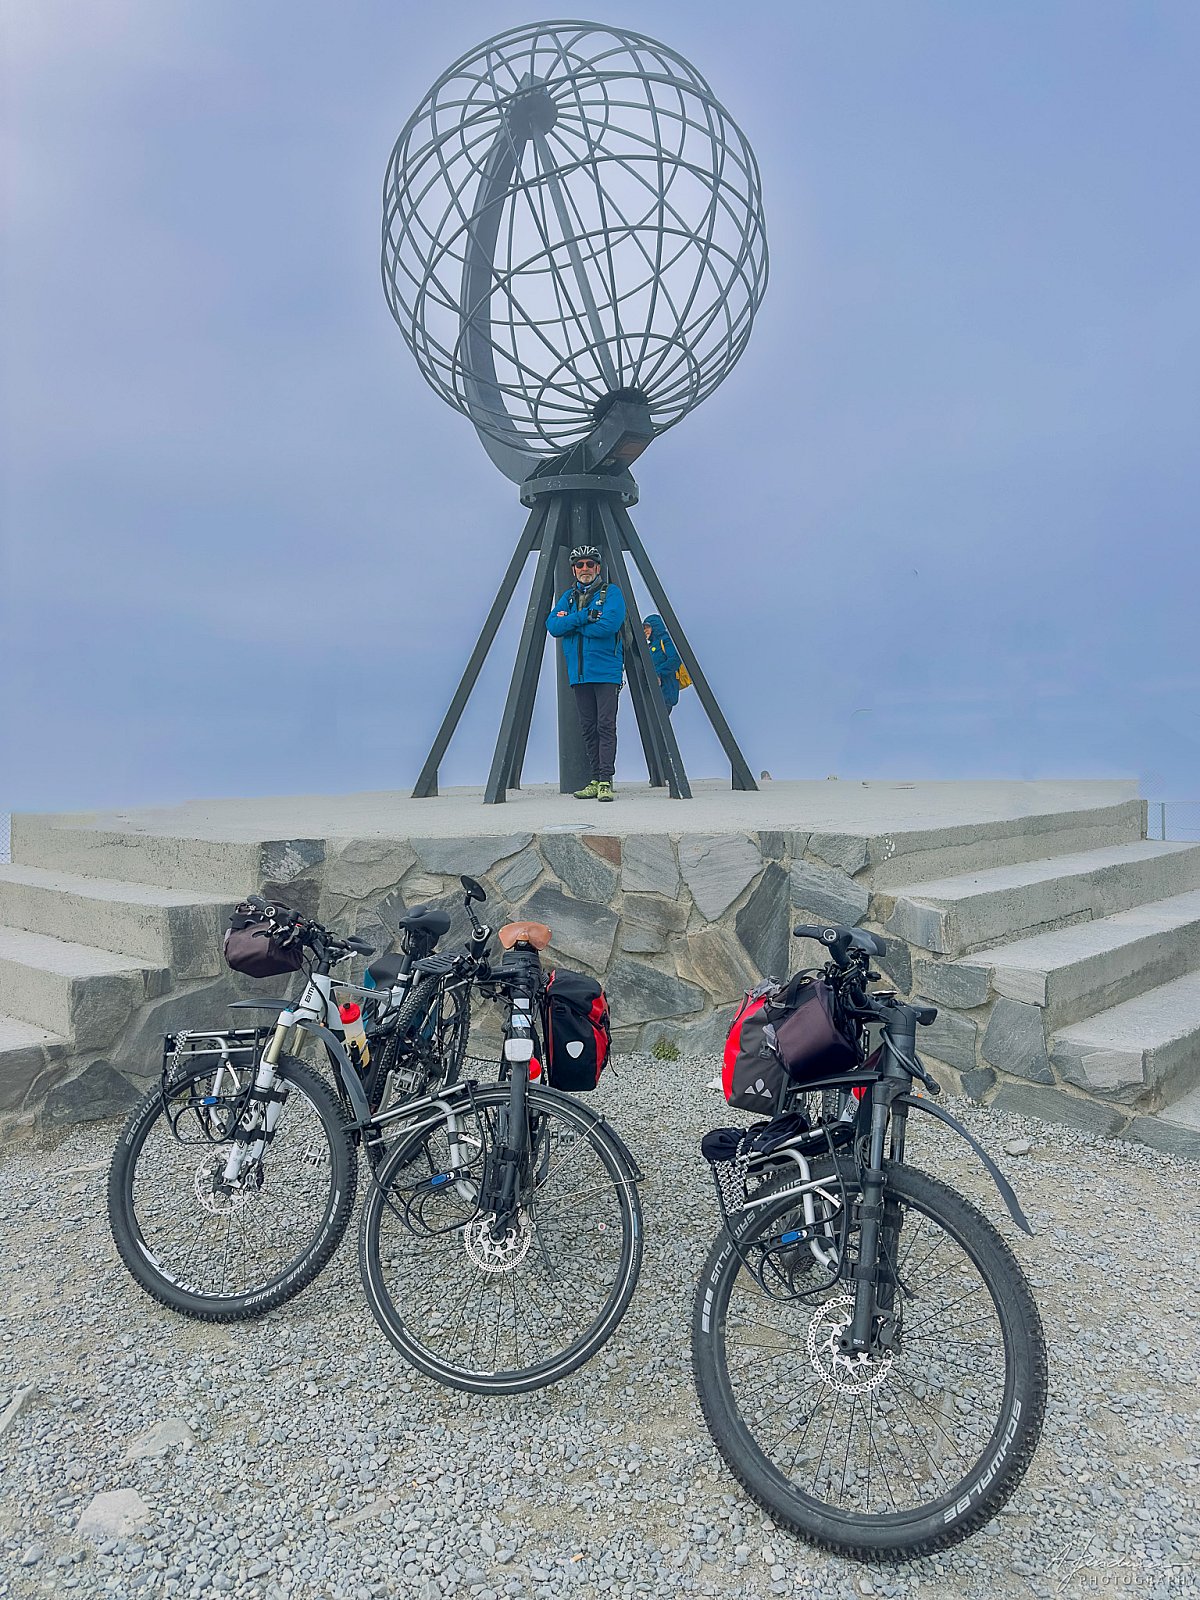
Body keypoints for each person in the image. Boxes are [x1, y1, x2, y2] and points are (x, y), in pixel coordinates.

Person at [546, 544, 626, 801]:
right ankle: (594, 779)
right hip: (579, 674)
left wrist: (572, 625)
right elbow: (553, 625)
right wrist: (584, 617)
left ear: (598, 567)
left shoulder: (611, 593)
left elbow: (608, 626)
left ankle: (605, 781)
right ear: (573, 570)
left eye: (590, 564)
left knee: (605, 726)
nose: (585, 569)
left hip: (606, 672)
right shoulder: (569, 597)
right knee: (588, 728)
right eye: (579, 565)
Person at [643, 614, 682, 714]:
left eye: (647, 627)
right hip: (652, 693)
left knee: (659, 719)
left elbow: (675, 659)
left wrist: (658, 673)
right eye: (643, 628)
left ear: (655, 626)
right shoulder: (648, 647)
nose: (645, 630)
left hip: (666, 690)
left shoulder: (665, 640)